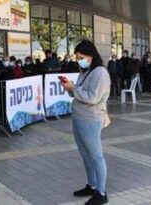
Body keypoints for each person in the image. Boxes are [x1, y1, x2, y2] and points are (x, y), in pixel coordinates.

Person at [61, 40, 110, 205]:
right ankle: (92, 185)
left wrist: (73, 89)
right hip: (79, 117)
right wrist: (70, 88)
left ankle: (101, 193)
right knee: (85, 155)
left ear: (91, 55)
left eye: (81, 57)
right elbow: (79, 93)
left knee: (96, 156)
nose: (78, 60)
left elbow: (92, 97)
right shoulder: (85, 71)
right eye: (77, 57)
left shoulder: (100, 72)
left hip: (90, 119)